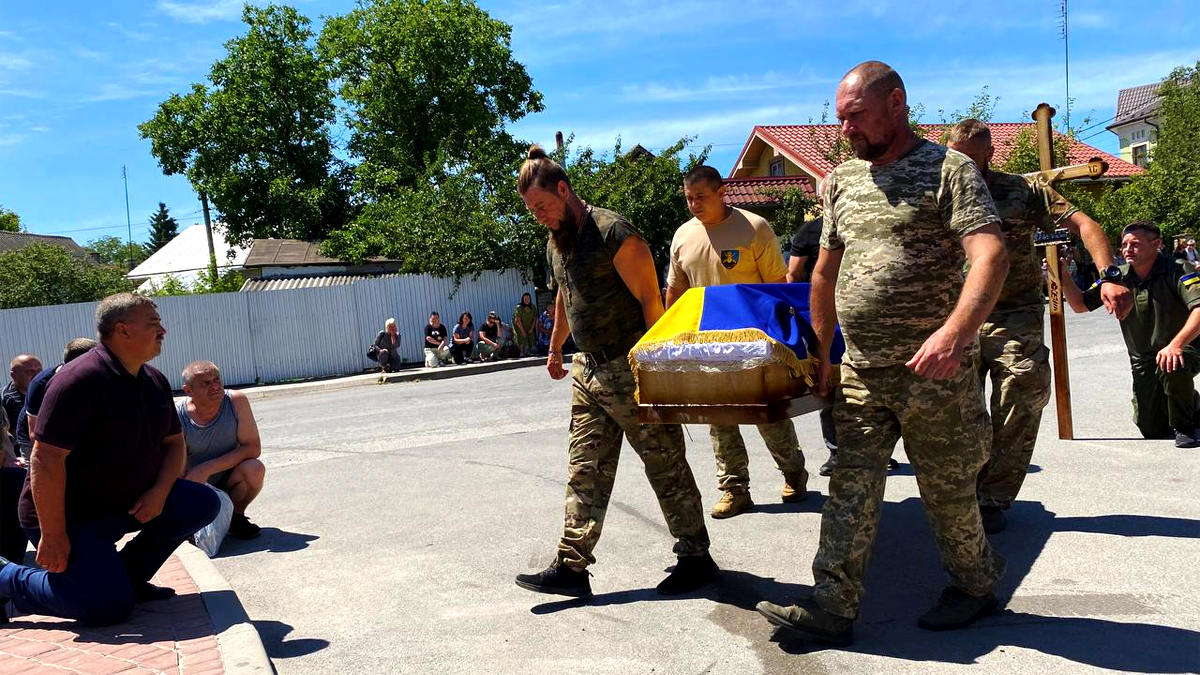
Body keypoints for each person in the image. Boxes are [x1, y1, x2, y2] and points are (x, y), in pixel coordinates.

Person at [755, 61, 1009, 643]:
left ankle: (974, 586)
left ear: (897, 103)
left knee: (946, 491)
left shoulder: (950, 171)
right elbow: (824, 273)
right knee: (851, 483)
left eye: (856, 116)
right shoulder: (840, 181)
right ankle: (832, 605)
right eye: (841, 119)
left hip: (934, 374)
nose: (846, 130)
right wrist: (822, 351)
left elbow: (990, 255)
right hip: (862, 371)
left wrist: (955, 333)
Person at [514, 145, 716, 597]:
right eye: (531, 210)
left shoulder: (613, 233)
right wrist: (555, 349)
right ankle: (571, 567)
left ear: (564, 191)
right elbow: (565, 297)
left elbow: (651, 301)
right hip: (588, 370)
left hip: (631, 366)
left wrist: (662, 368)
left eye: (543, 206)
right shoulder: (555, 242)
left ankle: (696, 556)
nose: (539, 216)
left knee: (664, 463)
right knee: (584, 469)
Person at [946, 118, 1132, 534]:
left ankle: (993, 497)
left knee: (1023, 392)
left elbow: (1084, 224)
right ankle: (961, 492)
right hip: (954, 314)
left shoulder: (1022, 190)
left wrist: (1110, 274)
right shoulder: (938, 190)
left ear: (990, 155)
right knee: (956, 410)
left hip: (1013, 311)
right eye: (956, 160)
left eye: (972, 161)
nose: (964, 170)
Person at [0, 293, 220, 625]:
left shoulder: (153, 380)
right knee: (107, 608)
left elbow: (174, 443)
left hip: (125, 505)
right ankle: (7, 576)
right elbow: (44, 461)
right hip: (72, 517)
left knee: (201, 502)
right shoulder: (78, 381)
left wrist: (159, 492)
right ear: (123, 330)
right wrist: (54, 534)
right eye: (153, 323)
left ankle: (126, 579)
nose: (163, 330)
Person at [665, 164, 808, 518]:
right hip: (706, 342)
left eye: (701, 197)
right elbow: (676, 290)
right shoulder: (683, 236)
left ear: (721, 192)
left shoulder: (754, 227)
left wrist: (781, 340)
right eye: (688, 198)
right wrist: (669, 333)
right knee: (718, 417)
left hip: (753, 339)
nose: (694, 205)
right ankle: (734, 488)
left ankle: (793, 471)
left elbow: (777, 286)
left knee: (767, 414)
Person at [788, 182, 896, 477]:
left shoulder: (868, 222)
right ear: (822, 199)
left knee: (874, 383)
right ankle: (836, 451)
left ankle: (879, 448)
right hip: (828, 319)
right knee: (833, 383)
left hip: (869, 317)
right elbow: (795, 274)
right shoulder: (809, 232)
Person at [1063, 221, 1200, 447]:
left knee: (1174, 362)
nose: (1127, 249)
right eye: (1124, 244)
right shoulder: (1117, 277)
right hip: (1143, 358)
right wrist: (1061, 274)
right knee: (1152, 429)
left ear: (1156, 244)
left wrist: (1176, 344)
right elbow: (1079, 305)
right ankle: (1192, 402)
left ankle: (1185, 426)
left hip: (1186, 348)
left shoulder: (1178, 269)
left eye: (1135, 244)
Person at [178, 361, 266, 540]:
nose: (215, 386)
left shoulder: (236, 401)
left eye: (217, 379)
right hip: (194, 485)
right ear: (188, 390)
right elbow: (176, 466)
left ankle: (234, 517)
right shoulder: (178, 415)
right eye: (206, 383)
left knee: (254, 469)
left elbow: (253, 447)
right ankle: (196, 522)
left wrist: (206, 468)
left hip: (226, 480)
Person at [15, 339, 97, 463]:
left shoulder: (96, 378)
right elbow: (34, 435)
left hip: (70, 435)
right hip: (34, 440)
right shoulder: (40, 384)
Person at [2, 355, 42, 446]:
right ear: (14, 376)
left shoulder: (47, 391)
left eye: (39, 371)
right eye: (30, 372)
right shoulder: (4, 399)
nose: (37, 376)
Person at [512, 293, 537, 357]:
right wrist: (523, 331)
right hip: (519, 326)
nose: (527, 300)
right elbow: (517, 320)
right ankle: (521, 352)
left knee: (530, 336)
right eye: (525, 298)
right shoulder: (519, 307)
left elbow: (535, 318)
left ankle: (529, 351)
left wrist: (532, 328)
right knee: (521, 336)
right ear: (522, 299)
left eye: (528, 298)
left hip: (529, 326)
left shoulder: (533, 307)